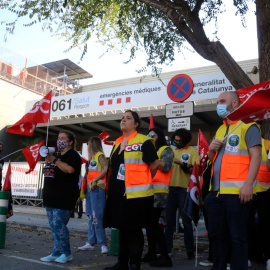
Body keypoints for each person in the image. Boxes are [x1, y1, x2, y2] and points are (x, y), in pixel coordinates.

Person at [205, 91, 262, 270]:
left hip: (237, 193)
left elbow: (257, 156)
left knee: (237, 238)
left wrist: (248, 186)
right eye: (217, 102)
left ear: (235, 103)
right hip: (215, 193)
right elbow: (213, 159)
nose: (219, 105)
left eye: (222, 101)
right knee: (217, 236)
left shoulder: (248, 126)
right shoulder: (221, 129)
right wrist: (210, 150)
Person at [103, 110, 159, 270]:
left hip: (137, 194)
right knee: (122, 228)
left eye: (128, 118)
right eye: (122, 118)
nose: (123, 120)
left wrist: (142, 181)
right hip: (118, 193)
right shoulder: (117, 142)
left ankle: (134, 264)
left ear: (136, 124)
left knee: (134, 231)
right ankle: (122, 263)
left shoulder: (144, 141)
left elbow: (154, 165)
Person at [40, 130, 82, 264]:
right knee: (53, 227)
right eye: (58, 138)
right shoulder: (55, 156)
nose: (60, 140)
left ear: (70, 142)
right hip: (50, 196)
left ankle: (66, 253)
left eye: (63, 138)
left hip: (64, 197)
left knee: (59, 225)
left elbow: (70, 170)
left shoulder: (73, 155)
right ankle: (56, 251)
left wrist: (55, 161)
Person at [164, 128, 199, 259]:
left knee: (186, 221)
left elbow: (195, 170)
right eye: (175, 140)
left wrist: (182, 163)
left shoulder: (192, 151)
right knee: (169, 221)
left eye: (180, 140)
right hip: (170, 189)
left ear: (185, 140)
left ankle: (189, 250)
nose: (177, 142)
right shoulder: (170, 151)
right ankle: (167, 249)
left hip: (185, 189)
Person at [142, 127, 174, 267]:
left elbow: (167, 167)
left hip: (159, 192)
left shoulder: (165, 150)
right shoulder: (151, 150)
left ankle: (165, 256)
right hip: (148, 190)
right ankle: (152, 253)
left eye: (152, 135)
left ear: (159, 136)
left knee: (153, 224)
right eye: (148, 135)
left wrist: (155, 161)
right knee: (149, 225)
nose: (149, 137)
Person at [78, 136, 108, 254]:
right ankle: (91, 242)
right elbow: (86, 177)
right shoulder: (92, 158)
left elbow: (105, 169)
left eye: (89, 144)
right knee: (90, 217)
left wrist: (95, 180)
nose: (88, 147)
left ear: (93, 144)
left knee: (97, 217)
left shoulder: (100, 155)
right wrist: (83, 192)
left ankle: (102, 244)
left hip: (98, 189)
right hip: (91, 190)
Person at [248, 137, 270, 269]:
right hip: (248, 189)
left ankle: (268, 257)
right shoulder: (244, 141)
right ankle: (247, 256)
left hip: (264, 190)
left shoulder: (267, 144)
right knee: (246, 224)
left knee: (266, 225)